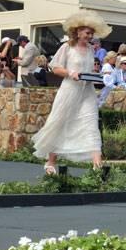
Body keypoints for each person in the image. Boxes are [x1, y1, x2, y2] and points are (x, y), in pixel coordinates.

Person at [31, 10, 111, 173]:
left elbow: (87, 69)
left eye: (92, 33)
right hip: (69, 90)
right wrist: (70, 73)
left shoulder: (90, 49)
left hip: (86, 91)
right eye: (88, 33)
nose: (90, 36)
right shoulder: (67, 47)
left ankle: (98, 166)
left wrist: (96, 77)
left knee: (91, 124)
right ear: (78, 31)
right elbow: (54, 67)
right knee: (61, 123)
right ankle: (51, 162)